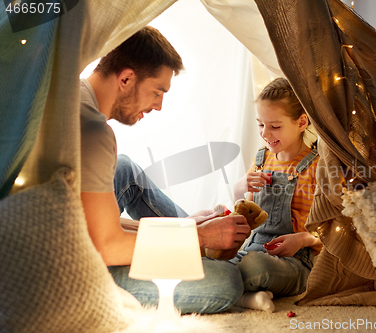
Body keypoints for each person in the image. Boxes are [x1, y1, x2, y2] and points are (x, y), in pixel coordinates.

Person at [80, 26, 251, 314]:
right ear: (126, 78)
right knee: (226, 282)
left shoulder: (73, 97)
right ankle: (202, 250)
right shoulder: (92, 131)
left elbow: (92, 221)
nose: (158, 106)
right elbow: (105, 245)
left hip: (70, 233)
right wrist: (202, 238)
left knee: (124, 168)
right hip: (70, 269)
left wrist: (184, 227)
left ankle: (193, 240)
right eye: (157, 92)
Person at [231, 78, 322, 312]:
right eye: (261, 124)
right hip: (253, 247)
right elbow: (247, 217)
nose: (265, 133)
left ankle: (242, 292)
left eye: (275, 126)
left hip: (296, 261)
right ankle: (250, 298)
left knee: (254, 267)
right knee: (208, 261)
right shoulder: (261, 160)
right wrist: (240, 189)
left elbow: (333, 229)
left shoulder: (317, 167)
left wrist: (303, 239)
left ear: (302, 122)